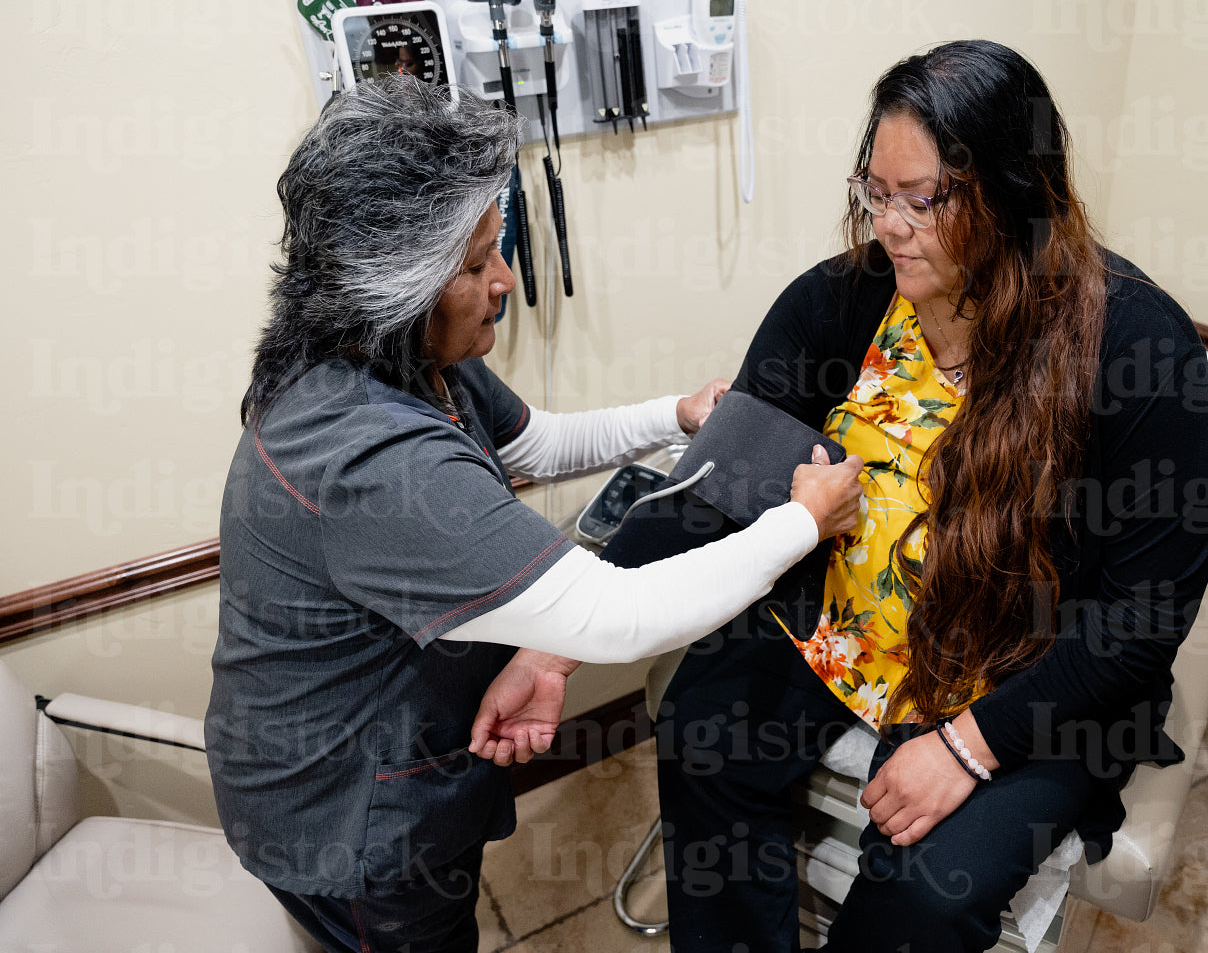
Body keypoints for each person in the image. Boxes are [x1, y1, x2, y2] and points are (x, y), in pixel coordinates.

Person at [204, 76, 863, 953]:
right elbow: (619, 618)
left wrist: (673, 414)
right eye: (477, 265)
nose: (505, 280)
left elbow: (533, 444)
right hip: (343, 826)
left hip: (397, 755)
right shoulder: (370, 455)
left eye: (496, 248)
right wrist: (803, 522)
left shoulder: (401, 352)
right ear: (397, 285)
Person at [648, 40, 1208, 951]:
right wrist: (562, 643)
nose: (889, 225)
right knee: (701, 735)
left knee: (927, 894)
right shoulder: (847, 301)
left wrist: (970, 747)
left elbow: (1146, 613)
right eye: (876, 192)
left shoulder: (1136, 348)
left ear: (1013, 192)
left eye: (924, 200)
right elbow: (723, 479)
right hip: (848, 631)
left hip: (1027, 674)